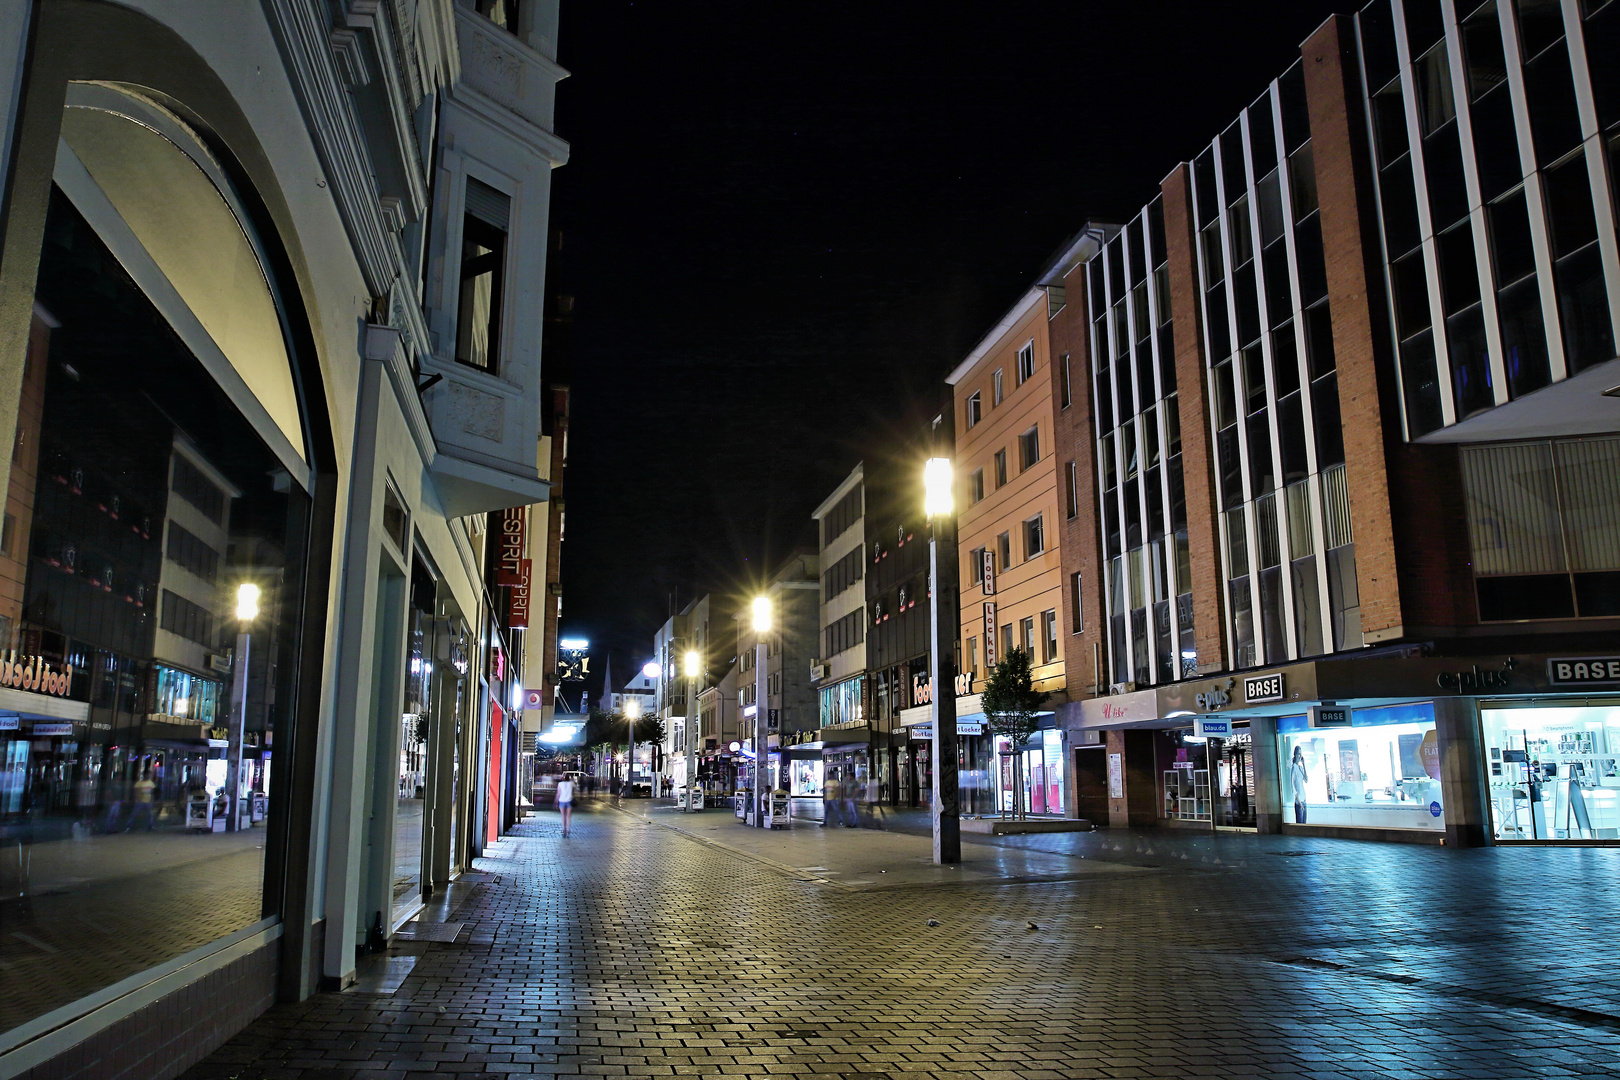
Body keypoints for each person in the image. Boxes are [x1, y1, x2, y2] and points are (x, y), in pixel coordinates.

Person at [1289, 745, 1310, 825]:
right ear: (1295, 755)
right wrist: (1299, 801)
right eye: (1298, 754)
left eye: (1301, 754)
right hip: (1299, 801)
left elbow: (1306, 779)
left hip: (1303, 799)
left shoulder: (1300, 768)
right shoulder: (1294, 768)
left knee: (1304, 823)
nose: (1300, 756)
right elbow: (1293, 786)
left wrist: (1304, 765)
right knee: (1300, 824)